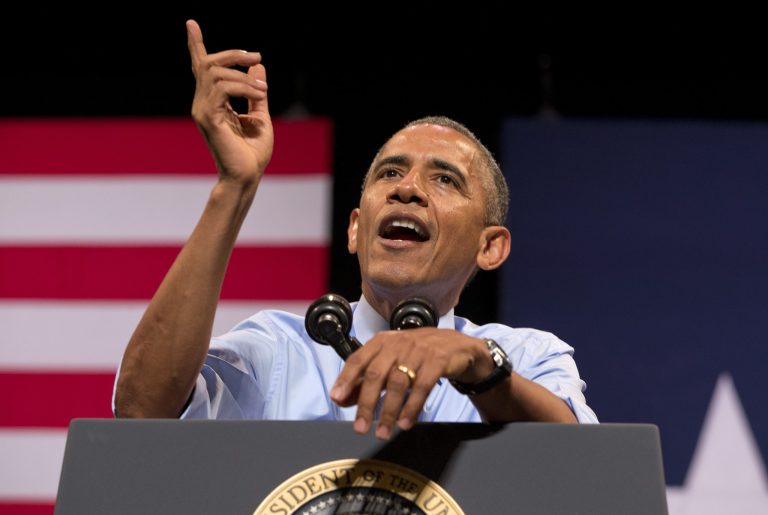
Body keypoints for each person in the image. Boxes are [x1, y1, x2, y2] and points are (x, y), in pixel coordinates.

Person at [113, 19, 597, 440]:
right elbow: (140, 415)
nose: (406, 190)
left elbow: (582, 468)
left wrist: (480, 367)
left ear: (490, 247)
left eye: (445, 179)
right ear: (354, 230)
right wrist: (234, 186)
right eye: (389, 172)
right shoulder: (279, 350)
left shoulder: (524, 356)